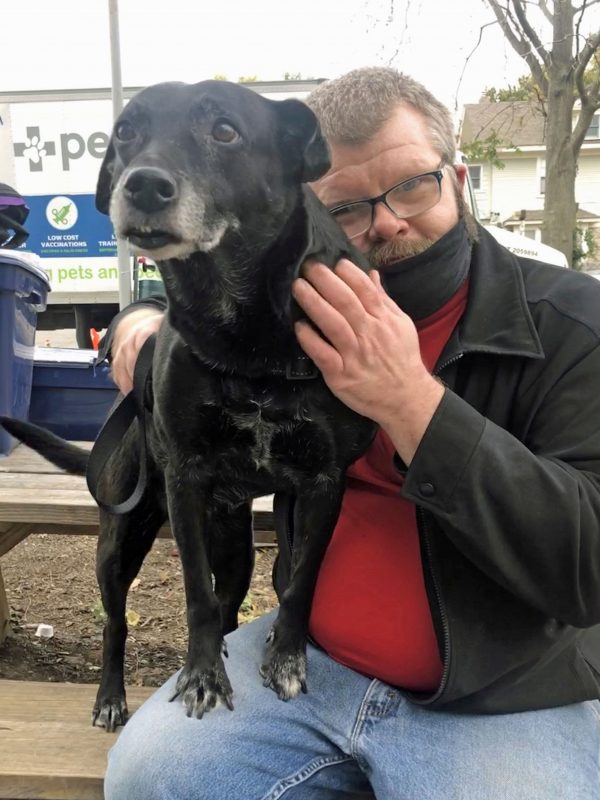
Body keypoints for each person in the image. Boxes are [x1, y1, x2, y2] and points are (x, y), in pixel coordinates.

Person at [101, 67, 600, 800]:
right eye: (350, 205)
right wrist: (139, 319)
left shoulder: (571, 325)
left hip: (502, 694)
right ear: (306, 202)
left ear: (459, 178)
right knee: (148, 777)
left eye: (413, 186)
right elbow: (202, 290)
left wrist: (410, 404)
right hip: (309, 663)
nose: (388, 223)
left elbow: (588, 566)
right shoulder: (286, 308)